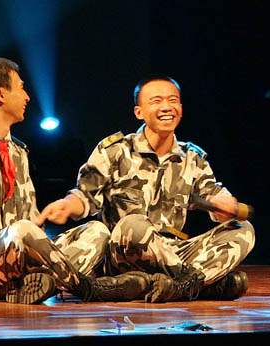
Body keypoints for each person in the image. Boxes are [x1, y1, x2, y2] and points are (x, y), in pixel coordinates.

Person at [0, 56, 150, 304]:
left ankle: (43, 286)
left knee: (97, 231)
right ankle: (86, 288)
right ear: (0, 94)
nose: (27, 97)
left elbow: (29, 218)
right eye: (20, 88)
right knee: (21, 231)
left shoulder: (18, 151)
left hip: (19, 263)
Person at [38, 75, 256, 302]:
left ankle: (175, 284)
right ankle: (201, 285)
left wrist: (226, 206)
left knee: (243, 229)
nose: (166, 107)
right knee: (134, 223)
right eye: (156, 101)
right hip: (123, 252)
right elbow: (85, 194)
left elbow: (214, 193)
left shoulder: (193, 157)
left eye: (173, 100)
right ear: (138, 112)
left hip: (173, 252)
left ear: (180, 107)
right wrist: (67, 204)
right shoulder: (116, 150)